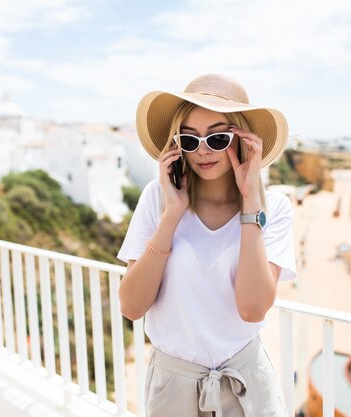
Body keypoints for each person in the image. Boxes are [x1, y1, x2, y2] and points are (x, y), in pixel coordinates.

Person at [118, 74, 297, 417]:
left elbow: (253, 308)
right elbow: (131, 306)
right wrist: (172, 215)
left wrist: (249, 206)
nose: (202, 149)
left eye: (218, 137)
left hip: (246, 384)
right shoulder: (157, 199)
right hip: (173, 388)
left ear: (244, 140)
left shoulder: (273, 208)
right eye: (189, 138)